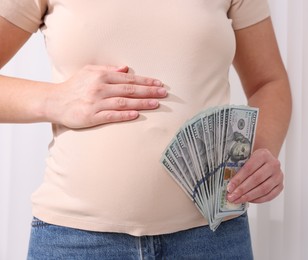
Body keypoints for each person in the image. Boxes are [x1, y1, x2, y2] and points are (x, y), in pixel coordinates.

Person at [0, 0, 292, 259]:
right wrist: (55, 99)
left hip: (212, 238)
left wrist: (261, 151)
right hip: (76, 241)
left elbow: (268, 81)